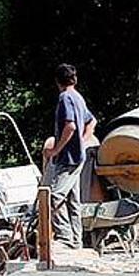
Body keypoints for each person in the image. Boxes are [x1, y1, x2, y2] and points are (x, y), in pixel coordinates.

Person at [42, 63, 97, 250]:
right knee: (73, 201)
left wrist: (55, 150)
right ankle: (76, 240)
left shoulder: (65, 97)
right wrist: (84, 141)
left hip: (67, 159)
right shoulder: (78, 97)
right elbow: (92, 121)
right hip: (77, 157)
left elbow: (70, 126)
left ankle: (66, 238)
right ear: (75, 79)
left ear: (57, 81)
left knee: (53, 198)